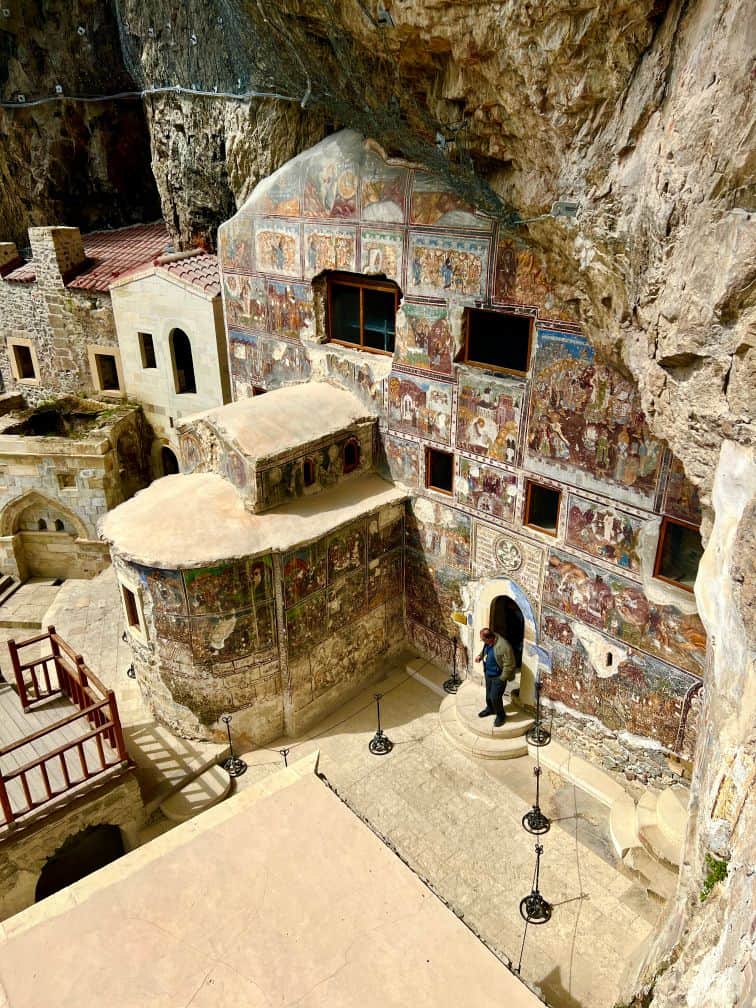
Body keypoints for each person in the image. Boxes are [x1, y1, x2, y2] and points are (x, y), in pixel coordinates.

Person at [475, 627, 516, 727]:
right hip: (488, 673)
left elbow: (510, 664)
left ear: (490, 638)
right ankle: (490, 709)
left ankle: (501, 715)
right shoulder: (488, 642)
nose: (483, 642)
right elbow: (485, 650)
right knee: (489, 694)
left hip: (498, 676)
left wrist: (502, 678)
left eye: (483, 640)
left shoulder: (504, 646)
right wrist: (480, 656)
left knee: (495, 697)